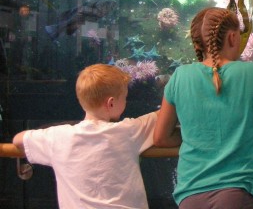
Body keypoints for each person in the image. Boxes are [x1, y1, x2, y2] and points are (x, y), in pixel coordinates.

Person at [154, 7, 253, 209]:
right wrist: (240, 135)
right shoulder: (252, 73)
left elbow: (161, 138)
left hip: (190, 193)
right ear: (233, 37)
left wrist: (199, 136)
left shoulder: (180, 76)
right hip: (237, 190)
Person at [12, 64, 158, 208]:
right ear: (111, 103)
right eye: (125, 98)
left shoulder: (58, 137)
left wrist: (54, 129)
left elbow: (18, 139)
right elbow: (163, 116)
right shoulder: (129, 130)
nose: (126, 102)